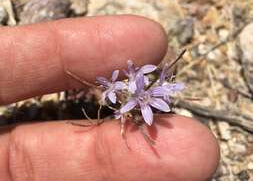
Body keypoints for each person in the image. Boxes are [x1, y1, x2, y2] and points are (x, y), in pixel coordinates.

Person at [0, 15, 219, 181]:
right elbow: (126, 97)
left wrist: (130, 102)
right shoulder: (124, 90)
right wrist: (121, 100)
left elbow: (135, 97)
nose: (143, 96)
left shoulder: (136, 90)